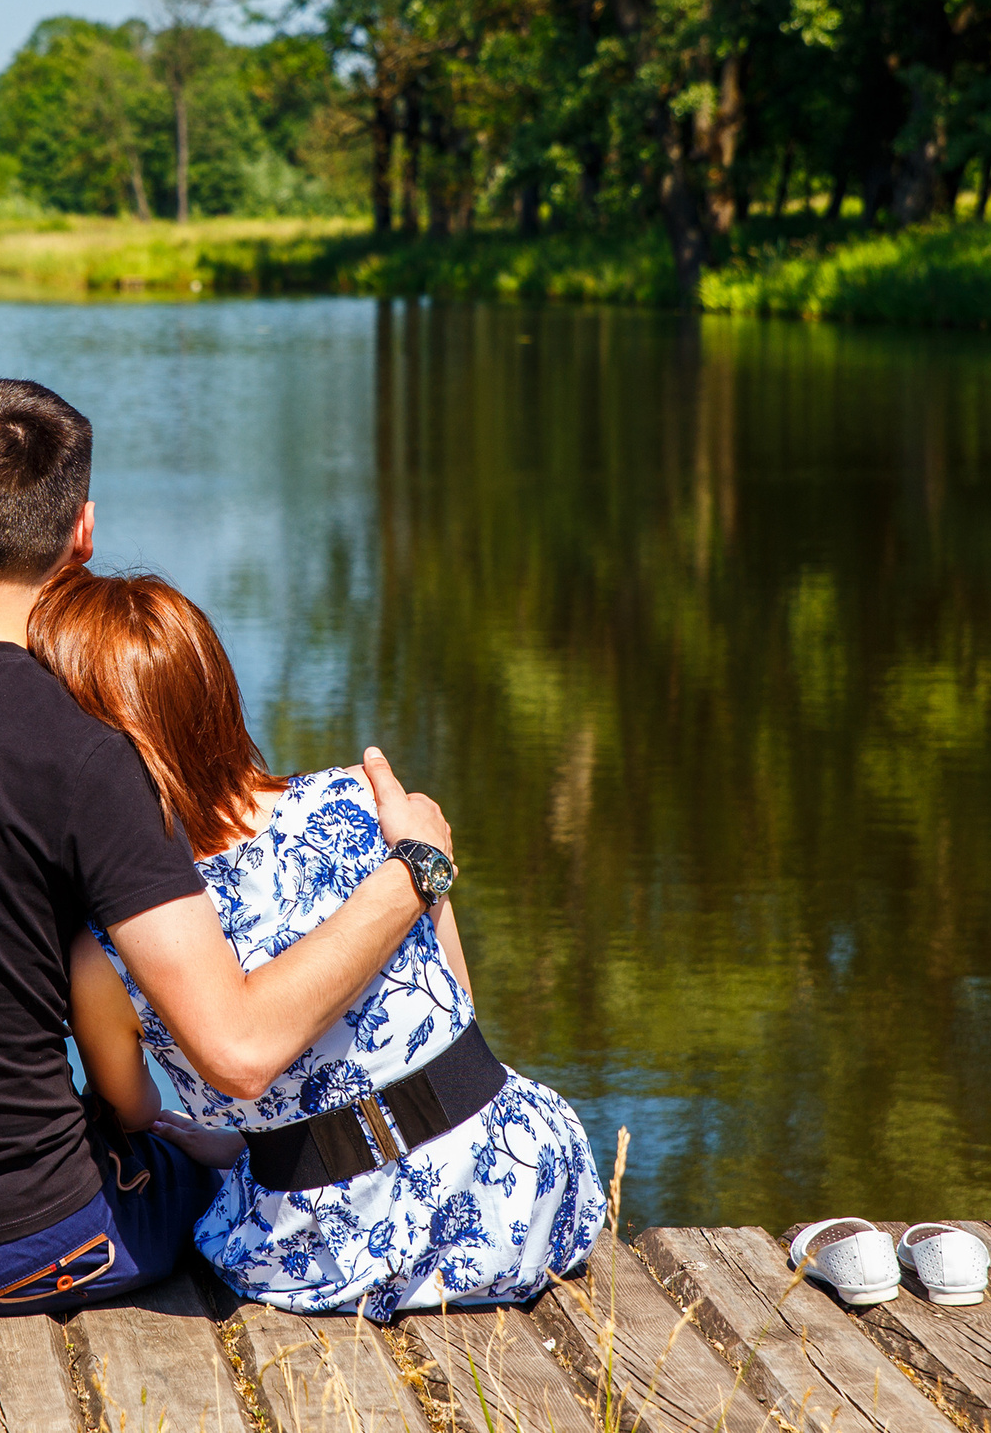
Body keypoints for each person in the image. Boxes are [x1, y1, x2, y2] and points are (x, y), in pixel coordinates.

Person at [0, 378, 458, 1317]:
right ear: (83, 532)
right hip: (38, 1248)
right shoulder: (91, 746)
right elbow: (239, 1050)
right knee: (224, 1164)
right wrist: (411, 875)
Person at [32, 566, 607, 1322]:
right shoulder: (367, 802)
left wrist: (248, 1140)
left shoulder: (110, 947)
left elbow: (135, 1110)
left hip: (333, 1250)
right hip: (523, 1192)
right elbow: (454, 1012)